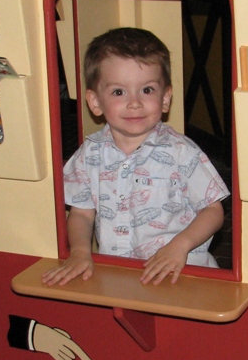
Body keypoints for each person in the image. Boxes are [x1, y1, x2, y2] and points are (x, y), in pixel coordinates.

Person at [42, 27, 229, 287]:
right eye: (119, 92)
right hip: (121, 276)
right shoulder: (90, 153)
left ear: (165, 98)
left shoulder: (181, 152)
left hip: (181, 275)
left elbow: (213, 210)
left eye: (147, 90)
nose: (135, 103)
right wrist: (80, 252)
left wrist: (180, 245)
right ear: (95, 102)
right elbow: (82, 213)